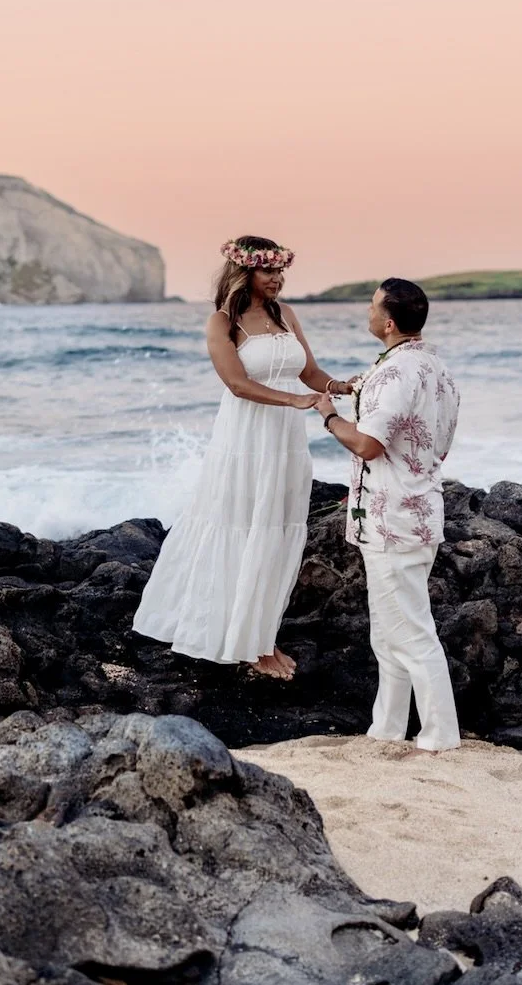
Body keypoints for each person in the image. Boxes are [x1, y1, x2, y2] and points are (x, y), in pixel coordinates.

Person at [133, 235, 358, 679]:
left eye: (280, 271)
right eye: (269, 271)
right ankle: (248, 645)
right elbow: (236, 383)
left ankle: (262, 635)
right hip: (244, 440)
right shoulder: (222, 322)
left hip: (285, 442)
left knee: (274, 533)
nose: (277, 279)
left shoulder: (286, 314)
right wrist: (294, 401)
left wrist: (342, 386)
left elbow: (308, 373)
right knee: (242, 529)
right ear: (245, 272)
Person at [313, 277, 462, 750]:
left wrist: (328, 416)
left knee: (412, 634)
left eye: (373, 306)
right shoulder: (436, 368)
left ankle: (440, 737)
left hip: (394, 521)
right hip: (415, 509)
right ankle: (388, 729)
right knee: (390, 633)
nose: (368, 311)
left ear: (390, 322)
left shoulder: (397, 373)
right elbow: (431, 445)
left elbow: (368, 443)